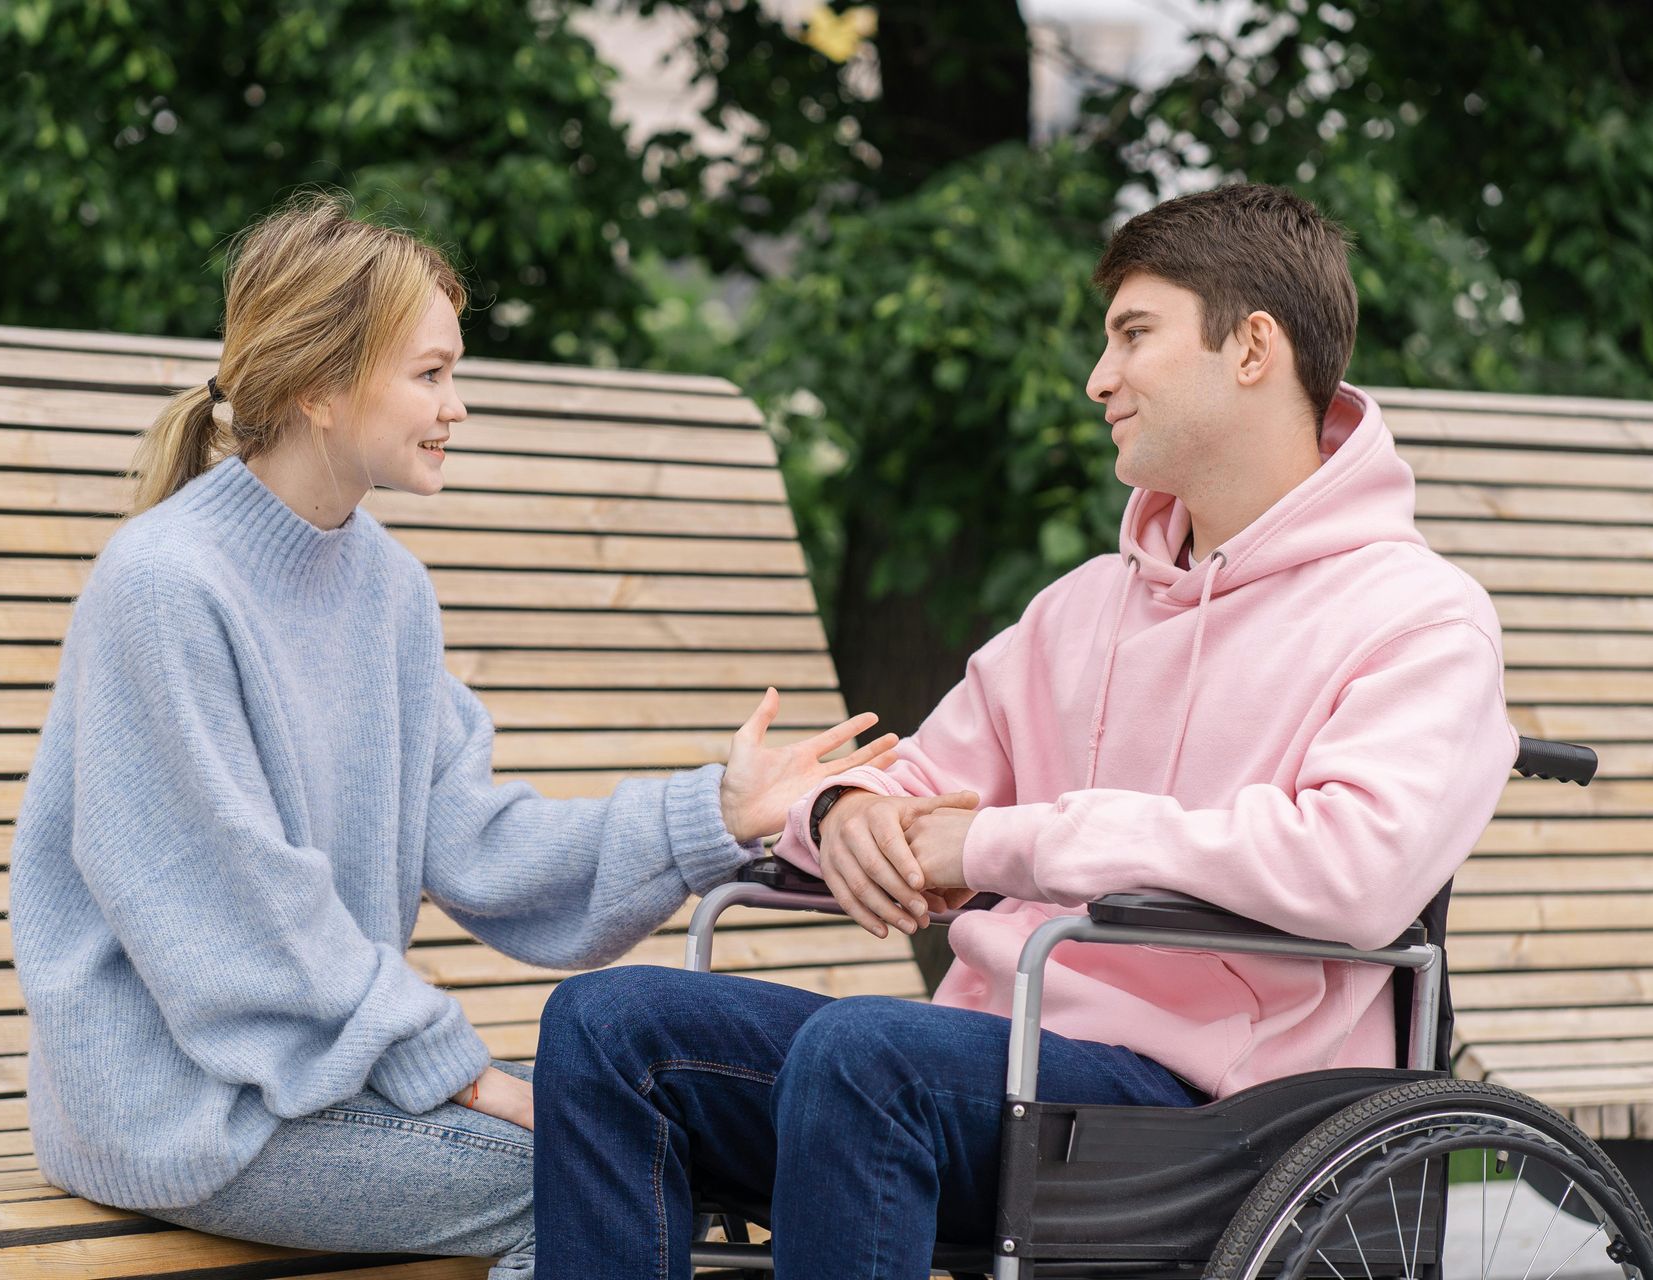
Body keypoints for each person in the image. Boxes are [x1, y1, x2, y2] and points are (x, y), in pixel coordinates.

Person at [531, 183, 1519, 1278]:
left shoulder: (1420, 616)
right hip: (1006, 1055)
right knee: (608, 1025)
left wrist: (1003, 844)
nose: (1100, 378)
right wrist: (843, 807)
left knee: (869, 1055)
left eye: (1133, 334)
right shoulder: (1084, 605)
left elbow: (1353, 871)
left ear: (1251, 347)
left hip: (1224, 1106)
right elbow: (916, 784)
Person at [6, 193, 899, 1279]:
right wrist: (461, 1071)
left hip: (317, 1074)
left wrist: (706, 811)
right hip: (184, 1105)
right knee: (599, 1176)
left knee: (650, 1149)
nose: (457, 405)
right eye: (429, 374)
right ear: (322, 387)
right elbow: (234, 918)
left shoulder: (386, 585)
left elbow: (477, 841)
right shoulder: (165, 585)